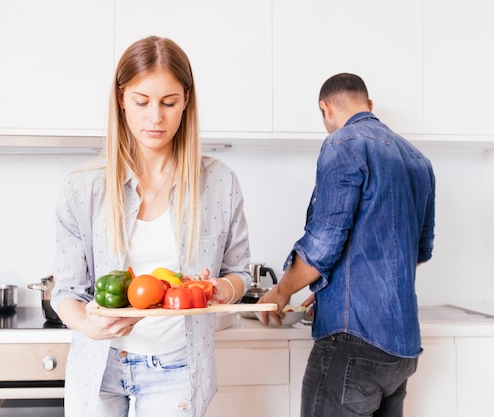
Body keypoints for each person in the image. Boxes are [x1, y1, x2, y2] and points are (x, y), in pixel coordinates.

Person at [50, 35, 252, 417]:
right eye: (142, 102)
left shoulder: (220, 183)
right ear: (121, 98)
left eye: (169, 102)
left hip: (177, 368)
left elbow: (239, 273)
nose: (155, 117)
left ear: (186, 101)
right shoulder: (82, 188)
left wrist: (219, 289)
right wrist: (88, 326)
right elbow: (66, 292)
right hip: (98, 365)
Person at [258, 73, 436, 417]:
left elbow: (321, 245)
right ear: (370, 106)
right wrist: (333, 290)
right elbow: (417, 252)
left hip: (353, 344)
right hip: (402, 350)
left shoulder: (343, 144)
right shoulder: (419, 161)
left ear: (325, 109)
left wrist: (281, 291)